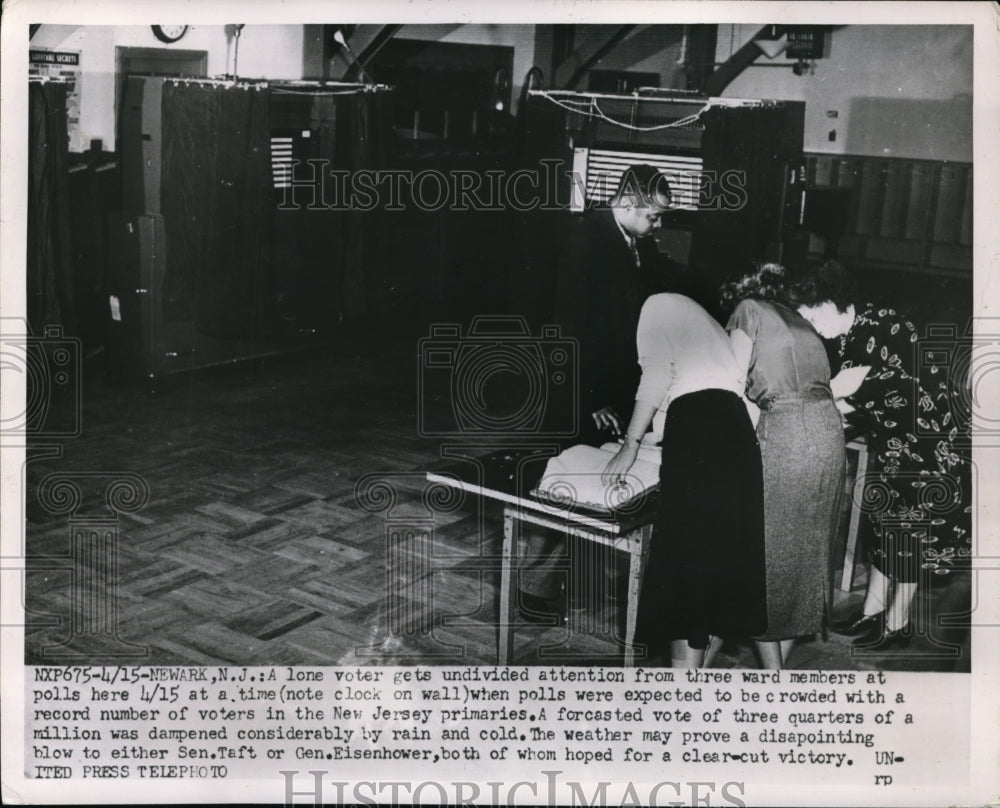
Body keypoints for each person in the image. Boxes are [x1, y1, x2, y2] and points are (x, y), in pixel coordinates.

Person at [516, 164, 677, 622]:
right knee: (562, 484)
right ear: (627, 203)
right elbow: (568, 330)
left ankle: (557, 583)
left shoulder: (631, 240)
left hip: (610, 387)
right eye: (653, 216)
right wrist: (591, 399)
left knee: (590, 485)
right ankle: (535, 591)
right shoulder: (585, 241)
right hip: (579, 391)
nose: (658, 225)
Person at [788, 261, 971, 651]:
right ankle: (872, 612)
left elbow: (862, 387)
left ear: (835, 302)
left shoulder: (884, 325)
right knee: (886, 524)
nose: (814, 328)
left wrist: (828, 401)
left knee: (911, 532)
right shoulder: (840, 335)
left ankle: (897, 623)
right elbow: (852, 393)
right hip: (895, 442)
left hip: (931, 444)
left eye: (814, 316)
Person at [602, 292, 768, 667]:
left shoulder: (652, 307)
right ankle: (693, 680)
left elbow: (659, 376)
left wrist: (629, 443)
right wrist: (650, 434)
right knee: (720, 562)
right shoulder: (697, 317)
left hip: (701, 430)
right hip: (737, 431)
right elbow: (693, 390)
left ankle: (682, 687)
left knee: (685, 562)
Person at [717, 262, 846, 669]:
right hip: (828, 433)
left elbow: (731, 386)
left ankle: (771, 677)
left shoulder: (746, 311)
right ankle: (774, 672)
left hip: (789, 434)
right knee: (801, 562)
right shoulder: (796, 319)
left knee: (761, 558)